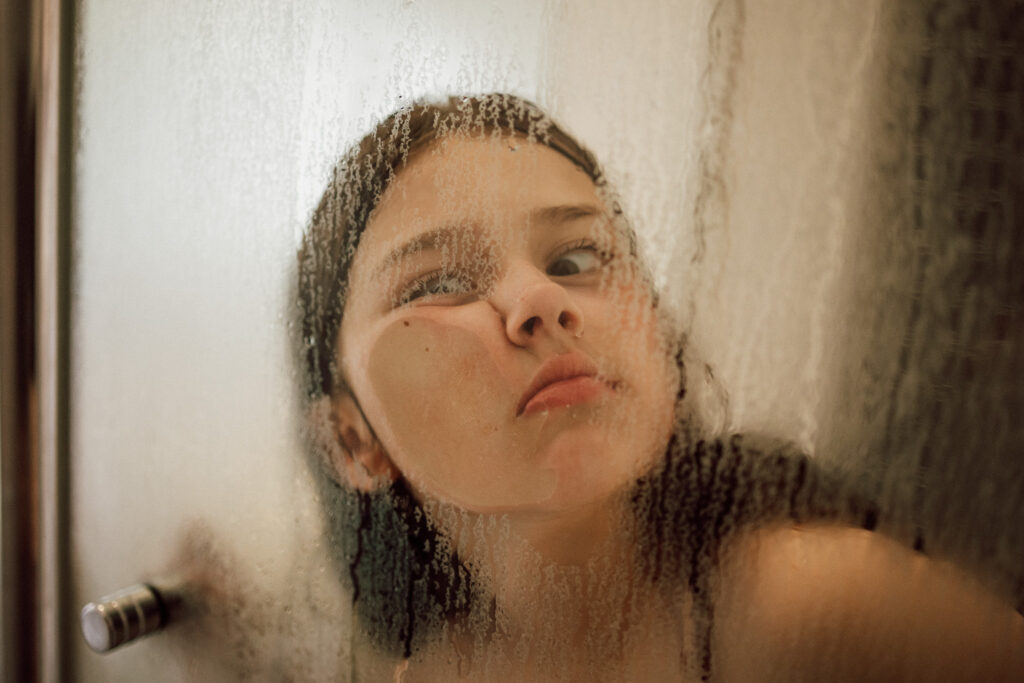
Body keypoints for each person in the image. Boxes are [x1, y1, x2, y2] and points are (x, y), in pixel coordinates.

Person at [297, 94, 1023, 681]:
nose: (542, 299)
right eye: (442, 283)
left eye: (578, 256)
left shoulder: (807, 606)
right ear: (353, 441)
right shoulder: (419, 674)